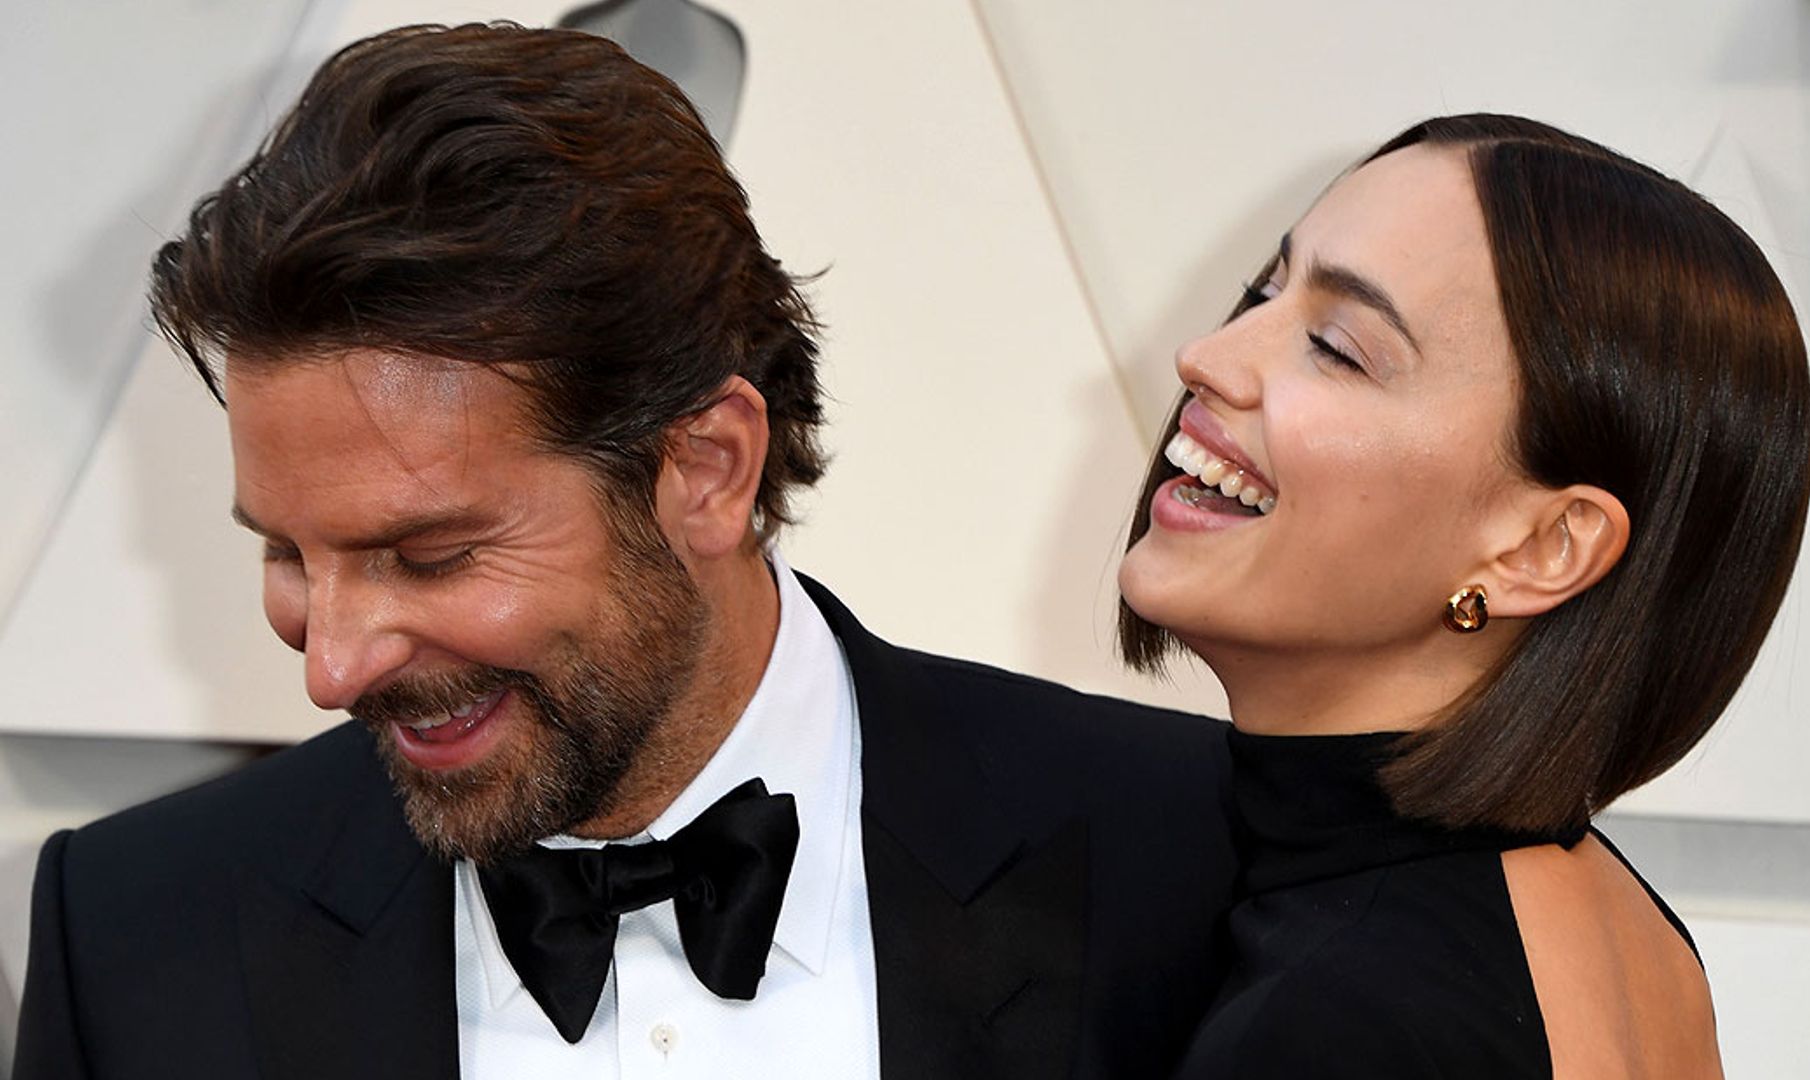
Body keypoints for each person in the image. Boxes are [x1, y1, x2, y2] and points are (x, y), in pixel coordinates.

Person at [11, 23, 1236, 1080]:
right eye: (288, 552)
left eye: (429, 556)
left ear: (705, 470)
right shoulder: (135, 937)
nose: (331, 669)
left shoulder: (1186, 857)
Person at [1116, 114, 1810, 1077]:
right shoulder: (1623, 925)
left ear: (1540, 547)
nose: (1209, 355)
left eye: (1336, 346)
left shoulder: (1342, 1020)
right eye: (1263, 291)